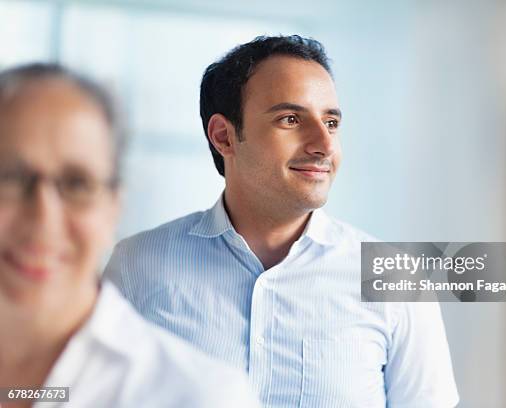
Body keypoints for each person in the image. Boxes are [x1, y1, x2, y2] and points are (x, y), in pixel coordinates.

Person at [104, 35, 459, 407]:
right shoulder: (136, 267)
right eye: (291, 119)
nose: (323, 144)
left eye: (332, 122)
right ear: (224, 136)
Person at [0, 64, 259, 408]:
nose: (42, 220)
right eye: (10, 178)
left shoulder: (358, 254)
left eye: (77, 183)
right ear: (223, 135)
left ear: (114, 206)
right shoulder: (142, 254)